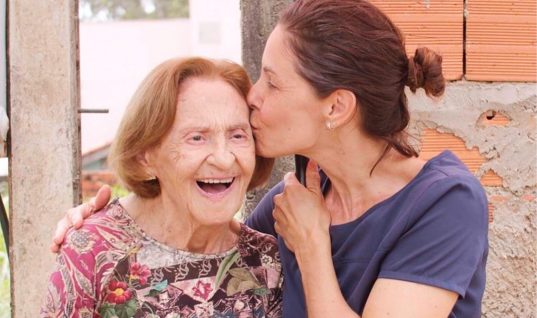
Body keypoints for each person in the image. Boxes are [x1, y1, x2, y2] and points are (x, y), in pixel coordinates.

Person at [51, 0, 489, 317]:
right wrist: (101, 227)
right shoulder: (292, 200)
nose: (252, 97)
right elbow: (207, 245)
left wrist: (314, 248)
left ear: (335, 108)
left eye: (273, 83)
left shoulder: (444, 202)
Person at [42, 57, 283, 317]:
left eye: (237, 135)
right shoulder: (92, 251)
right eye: (197, 138)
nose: (224, 159)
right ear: (145, 156)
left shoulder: (265, 261)